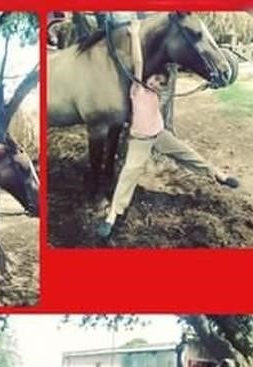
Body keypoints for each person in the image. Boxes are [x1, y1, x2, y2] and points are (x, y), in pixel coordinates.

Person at [97, 26, 240, 238]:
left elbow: (191, 64)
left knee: (188, 154)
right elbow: (138, 63)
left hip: (161, 135)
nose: (153, 82)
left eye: (159, 83)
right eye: (153, 79)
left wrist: (210, 81)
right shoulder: (137, 89)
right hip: (140, 141)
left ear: (162, 87)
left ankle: (218, 174)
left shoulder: (156, 94)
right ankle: (111, 216)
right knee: (129, 174)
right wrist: (136, 35)